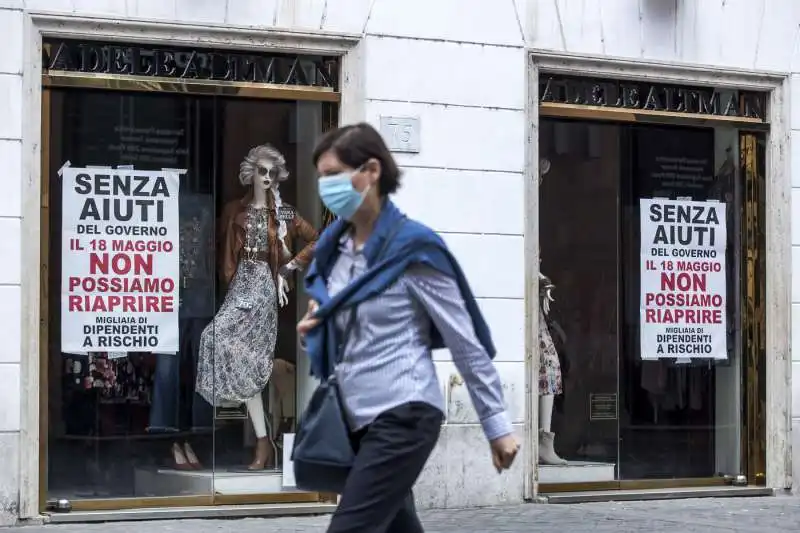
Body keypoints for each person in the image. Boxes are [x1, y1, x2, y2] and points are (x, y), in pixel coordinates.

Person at [297, 122, 519, 533]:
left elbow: (464, 339)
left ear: (372, 171)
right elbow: (348, 323)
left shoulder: (414, 249)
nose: (325, 186)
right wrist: (319, 325)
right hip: (354, 414)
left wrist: (497, 425)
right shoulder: (336, 249)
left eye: (334, 175)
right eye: (321, 178)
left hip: (404, 410)